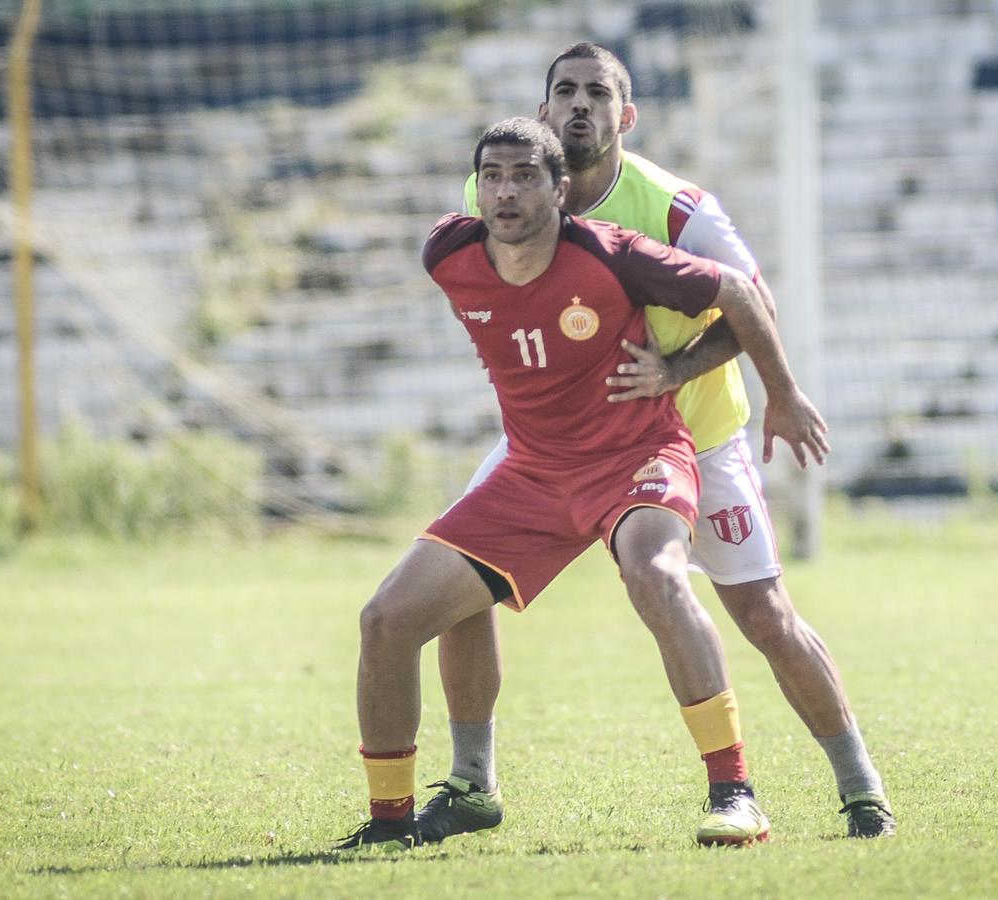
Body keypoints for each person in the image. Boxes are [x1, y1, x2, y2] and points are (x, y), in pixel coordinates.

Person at [416, 43, 896, 843]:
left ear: (624, 116)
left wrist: (679, 370)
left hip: (690, 439)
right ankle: (472, 783)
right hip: (548, 447)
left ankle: (860, 788)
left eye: (596, 94)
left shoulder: (678, 209)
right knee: (461, 572)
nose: (578, 106)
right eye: (562, 91)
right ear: (540, 114)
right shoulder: (501, 186)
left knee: (764, 614)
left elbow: (754, 302)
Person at [335, 117, 830, 851]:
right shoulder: (448, 251)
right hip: (532, 473)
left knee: (657, 575)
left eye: (525, 176)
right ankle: (389, 825)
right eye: (493, 177)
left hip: (637, 457)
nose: (506, 192)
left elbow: (739, 291)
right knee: (386, 620)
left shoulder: (614, 254)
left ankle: (735, 794)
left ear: (560, 189)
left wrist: (781, 394)